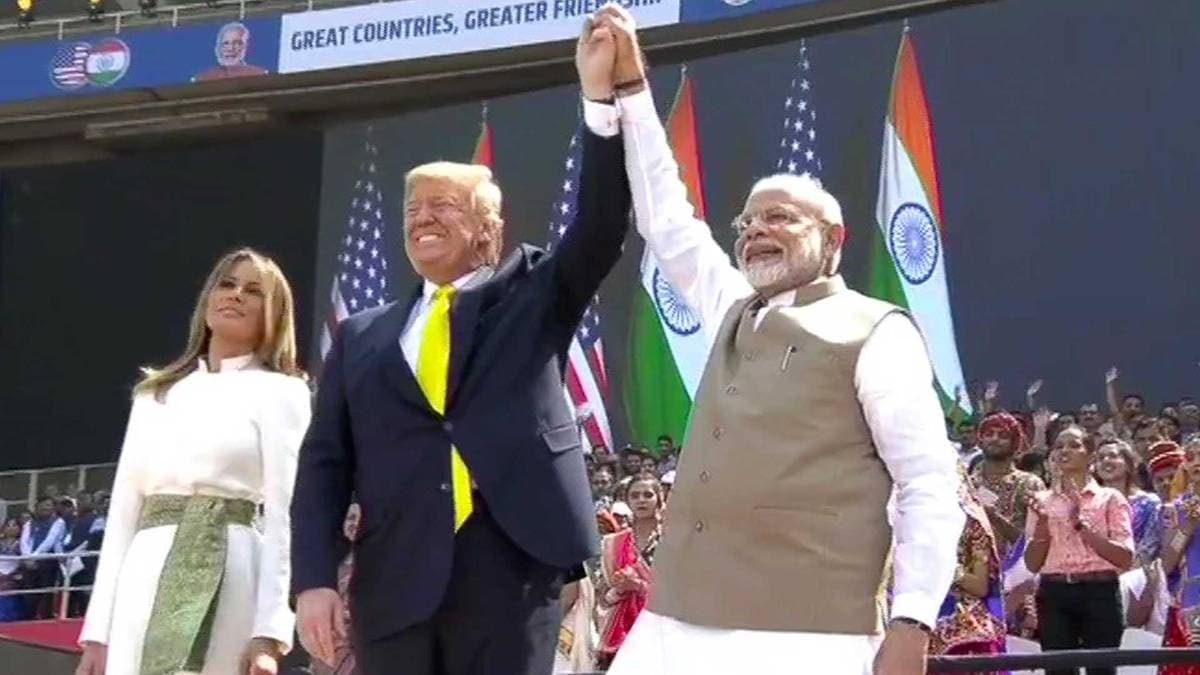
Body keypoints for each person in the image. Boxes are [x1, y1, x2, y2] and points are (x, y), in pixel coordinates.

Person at [584, 8, 962, 673]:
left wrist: (912, 620)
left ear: (833, 240)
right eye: (747, 222)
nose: (756, 230)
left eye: (780, 217)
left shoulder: (877, 331)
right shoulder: (733, 309)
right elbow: (666, 220)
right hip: (675, 621)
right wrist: (631, 91)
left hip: (805, 634)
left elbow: (927, 481)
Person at [289, 19, 631, 675]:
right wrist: (314, 579)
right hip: (395, 579)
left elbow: (600, 225)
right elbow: (325, 466)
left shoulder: (534, 295)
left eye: (442, 205)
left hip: (512, 568)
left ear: (487, 229)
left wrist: (598, 100)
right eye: (413, 209)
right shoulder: (362, 337)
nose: (422, 217)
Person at [75, 248, 311, 675]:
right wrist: (98, 634)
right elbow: (124, 511)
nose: (235, 295)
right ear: (207, 299)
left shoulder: (282, 392)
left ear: (274, 313)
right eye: (227, 284)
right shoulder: (156, 393)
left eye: (253, 290)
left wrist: (269, 632)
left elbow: (285, 515)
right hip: (144, 570)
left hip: (231, 564)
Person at [1025, 425, 1134, 675]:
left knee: (1101, 670)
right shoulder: (1041, 501)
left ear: (1090, 456)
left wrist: (1082, 527)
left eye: (1074, 445)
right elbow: (1032, 564)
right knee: (1058, 670)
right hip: (1055, 592)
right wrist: (1042, 528)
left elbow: (1125, 557)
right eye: (1059, 446)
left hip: (1100, 592)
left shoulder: (1110, 498)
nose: (1065, 451)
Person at [929, 470, 1006, 673]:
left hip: (963, 615)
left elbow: (979, 586)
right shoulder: (910, 522)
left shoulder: (972, 524)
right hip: (919, 609)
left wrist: (945, 566)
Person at [595, 474, 664, 669]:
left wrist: (638, 586)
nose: (641, 500)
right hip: (622, 632)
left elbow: (680, 591)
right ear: (627, 500)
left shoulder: (670, 540)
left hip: (661, 627)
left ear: (659, 498)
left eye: (647, 495)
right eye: (635, 495)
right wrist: (619, 588)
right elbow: (602, 596)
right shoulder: (614, 543)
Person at [1158, 437, 1200, 674]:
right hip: (1191, 599)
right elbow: (1166, 563)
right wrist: (1187, 528)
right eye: (1191, 457)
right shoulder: (1174, 509)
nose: (1197, 462)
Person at [1095, 439, 1161, 564]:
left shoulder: (1150, 503)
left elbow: (1150, 546)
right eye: (1100, 458)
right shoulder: (1089, 504)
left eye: (1113, 456)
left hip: (1138, 570)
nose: (1105, 461)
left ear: (1129, 464)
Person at [21, 495, 66, 619]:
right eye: (43, 505)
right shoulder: (29, 523)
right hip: (29, 563)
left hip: (47, 562)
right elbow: (24, 541)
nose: (45, 508)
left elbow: (50, 541)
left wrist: (34, 557)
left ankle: (46, 618)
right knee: (29, 595)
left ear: (53, 508)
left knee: (46, 595)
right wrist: (27, 557)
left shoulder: (58, 522)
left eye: (49, 505)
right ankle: (28, 619)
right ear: (37, 506)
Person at [193, 22, 269, 82]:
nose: (230, 48)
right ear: (219, 48)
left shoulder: (260, 75)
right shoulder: (203, 78)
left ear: (246, 46)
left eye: (237, 43)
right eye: (226, 43)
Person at [0, 519, 26, 622]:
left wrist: (11, 575)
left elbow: (25, 561)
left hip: (15, 574)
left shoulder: (23, 543)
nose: (11, 528)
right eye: (8, 525)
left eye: (14, 525)